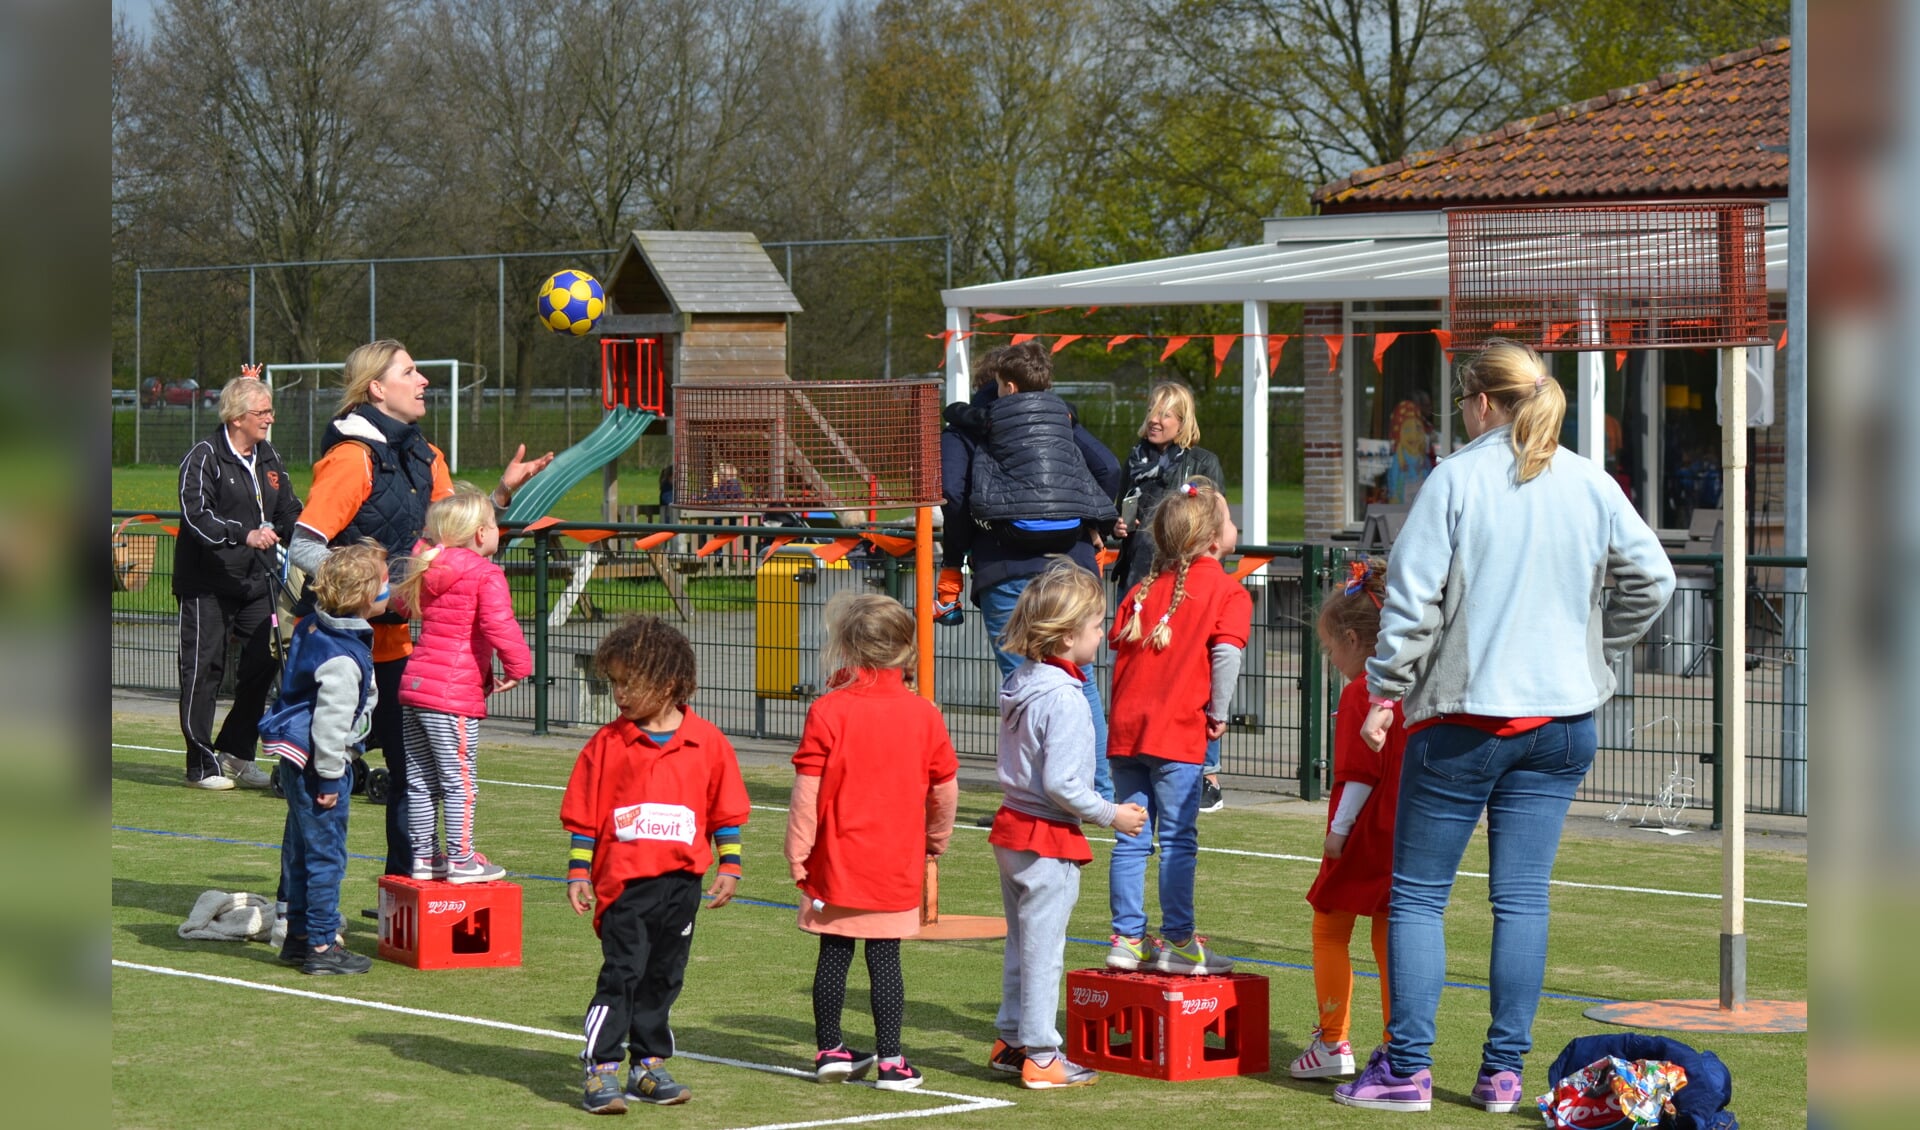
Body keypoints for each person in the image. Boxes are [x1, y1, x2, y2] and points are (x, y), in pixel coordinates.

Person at [1333, 340, 1675, 1114]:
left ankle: (1407, 1071)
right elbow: (1653, 578)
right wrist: (1595, 644)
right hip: (1562, 721)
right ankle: (1502, 1074)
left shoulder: (1455, 479)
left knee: (1418, 897)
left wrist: (1384, 693)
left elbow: (1412, 603)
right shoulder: (1589, 480)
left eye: (1462, 402)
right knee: (1521, 899)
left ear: (1481, 403)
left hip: (1466, 720)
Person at [289, 339, 552, 877]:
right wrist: (370, 592)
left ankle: (407, 891)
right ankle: (302, 913)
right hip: (347, 650)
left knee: (416, 779)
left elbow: (449, 542)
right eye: (410, 372)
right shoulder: (352, 458)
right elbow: (304, 545)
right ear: (378, 388)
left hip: (411, 650)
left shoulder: (427, 456)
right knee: (321, 779)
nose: (424, 380)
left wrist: (499, 497)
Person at [562, 616, 750, 1115]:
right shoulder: (607, 744)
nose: (619, 693)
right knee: (623, 972)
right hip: (625, 886)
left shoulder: (708, 742)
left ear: (668, 684)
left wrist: (729, 865)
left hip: (682, 886)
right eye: (615, 683)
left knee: (665, 975)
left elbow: (724, 814)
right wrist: (579, 872)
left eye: (630, 683)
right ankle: (600, 1070)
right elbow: (585, 818)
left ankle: (647, 1065)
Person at [783, 594, 958, 1092]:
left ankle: (830, 1049)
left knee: (833, 954)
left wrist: (798, 851)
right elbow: (945, 790)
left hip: (836, 862)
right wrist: (935, 839)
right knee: (885, 959)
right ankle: (891, 1060)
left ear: (848, 647)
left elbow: (807, 793)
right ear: (907, 649)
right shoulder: (924, 714)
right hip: (894, 863)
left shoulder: (828, 710)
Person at [987, 562, 1148, 1089]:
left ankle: (1013, 1041)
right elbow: (1064, 784)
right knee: (1042, 951)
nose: (1104, 634)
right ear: (1066, 634)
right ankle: (1040, 1053)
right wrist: (1113, 815)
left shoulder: (1022, 680)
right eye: (1098, 626)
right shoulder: (1066, 697)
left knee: (1022, 943)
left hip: (1015, 828)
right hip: (1044, 834)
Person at [937, 341, 1121, 800]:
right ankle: (1095, 792)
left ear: (998, 385)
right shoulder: (1059, 421)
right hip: (1072, 561)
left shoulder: (965, 429)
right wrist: (1096, 522)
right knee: (1082, 681)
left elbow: (955, 499)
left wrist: (954, 558)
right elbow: (1109, 467)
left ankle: (1035, 797)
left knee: (1023, 682)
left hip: (1004, 564)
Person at [1104, 478, 1248, 976]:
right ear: (1213, 540)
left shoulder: (1142, 590)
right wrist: (1220, 713)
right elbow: (1226, 655)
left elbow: (1118, 649)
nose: (1237, 527)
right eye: (1229, 521)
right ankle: (1180, 941)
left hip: (1126, 729)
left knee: (1131, 837)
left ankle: (1126, 937)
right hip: (1178, 732)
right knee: (1179, 838)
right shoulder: (1228, 591)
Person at [1292, 558, 1405, 1082]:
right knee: (1393, 935)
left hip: (1366, 828)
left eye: (1330, 646)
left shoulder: (1361, 692)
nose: (1330, 656)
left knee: (1329, 926)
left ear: (1356, 641)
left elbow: (1359, 772)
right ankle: (1396, 1044)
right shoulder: (1412, 685)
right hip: (1408, 824)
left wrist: (1338, 832)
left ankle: (1333, 1041)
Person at [256, 542, 388, 975]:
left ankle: (297, 937)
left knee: (299, 849)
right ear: (365, 598)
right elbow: (329, 726)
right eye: (384, 584)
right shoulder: (343, 659)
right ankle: (321, 944)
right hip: (319, 766)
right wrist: (332, 778)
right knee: (326, 856)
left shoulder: (313, 626)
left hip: (296, 762)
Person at [392, 484, 531, 884]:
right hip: (451, 695)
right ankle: (462, 858)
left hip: (416, 686)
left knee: (419, 780)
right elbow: (498, 624)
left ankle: (424, 855)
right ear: (481, 534)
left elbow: (401, 607)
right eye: (492, 523)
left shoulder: (428, 567)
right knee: (460, 781)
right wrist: (520, 666)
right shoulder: (486, 575)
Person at [173, 375, 302, 789]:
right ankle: (200, 764)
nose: (270, 419)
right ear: (236, 418)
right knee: (203, 670)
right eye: (262, 412)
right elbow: (196, 516)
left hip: (255, 581)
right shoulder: (204, 458)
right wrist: (242, 533)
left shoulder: (268, 457)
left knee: (267, 656)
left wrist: (315, 538)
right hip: (206, 584)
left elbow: (288, 510)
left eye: (269, 411)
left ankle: (236, 751)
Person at [1109, 380, 1229, 813]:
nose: (1155, 420)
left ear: (1183, 422)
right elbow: (1117, 509)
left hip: (1184, 581)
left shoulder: (1202, 462)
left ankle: (1205, 775)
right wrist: (1117, 526)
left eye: (1166, 414)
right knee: (1138, 674)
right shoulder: (1134, 458)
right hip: (1141, 579)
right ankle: (1139, 762)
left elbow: (1213, 518)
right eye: (1153, 411)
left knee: (1189, 673)